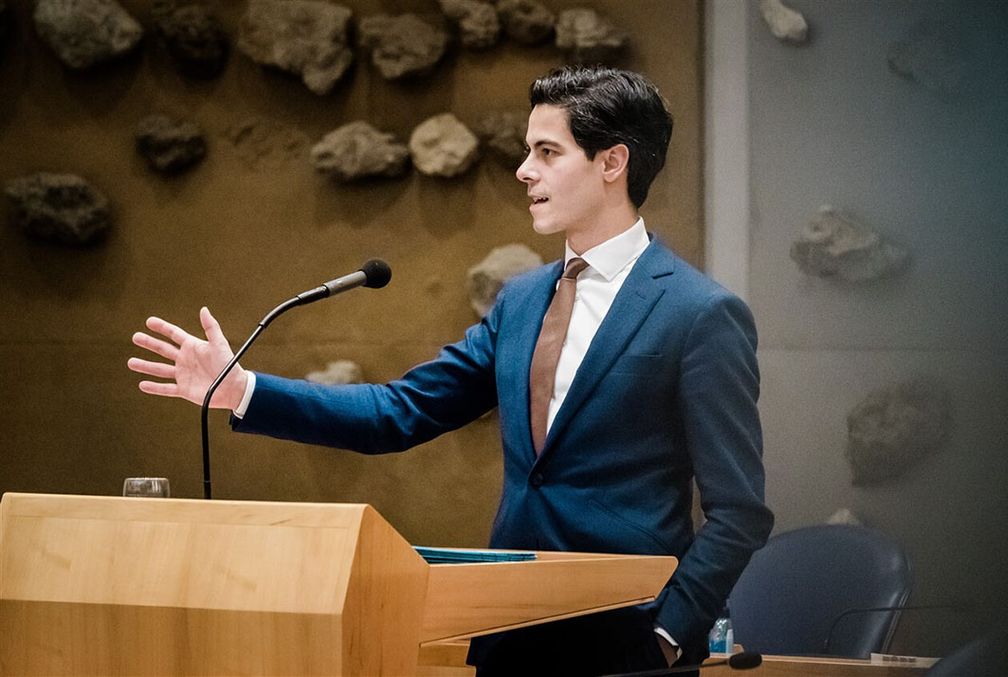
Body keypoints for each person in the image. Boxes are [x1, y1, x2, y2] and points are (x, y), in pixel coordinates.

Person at [129, 65, 773, 675]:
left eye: (547, 152)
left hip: (627, 646)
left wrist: (666, 636)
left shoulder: (699, 313)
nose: (524, 171)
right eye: (527, 151)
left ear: (612, 162)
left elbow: (739, 511)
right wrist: (243, 389)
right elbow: (399, 412)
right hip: (508, 638)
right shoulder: (521, 300)